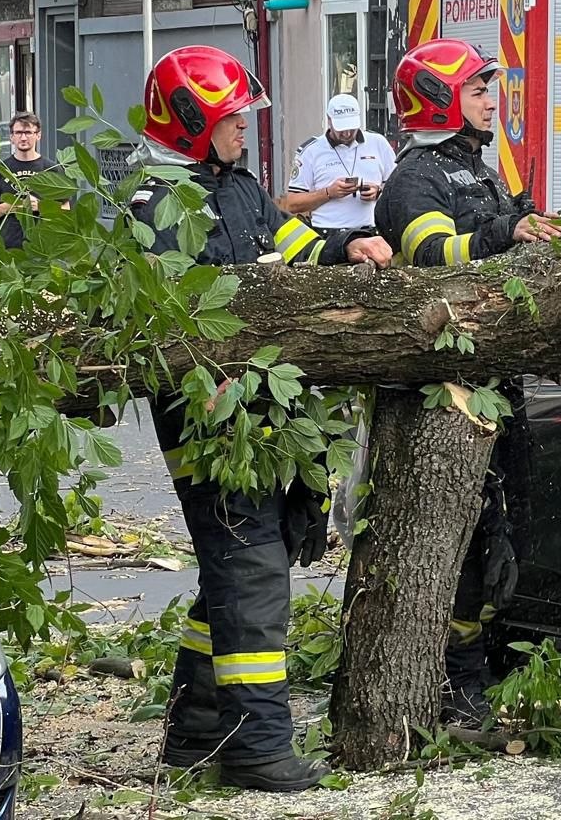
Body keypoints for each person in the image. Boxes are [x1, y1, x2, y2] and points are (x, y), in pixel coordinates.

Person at [130, 46, 393, 792]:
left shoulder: (235, 186)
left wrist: (348, 246)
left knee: (243, 564)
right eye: (232, 118)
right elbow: (196, 313)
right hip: (207, 417)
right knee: (250, 569)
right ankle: (258, 747)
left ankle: (195, 731)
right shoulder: (160, 205)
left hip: (257, 405)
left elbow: (292, 247)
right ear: (191, 123)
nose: (245, 128)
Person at [374, 37, 561, 722]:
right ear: (442, 101)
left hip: (493, 381)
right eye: (480, 91)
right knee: (467, 537)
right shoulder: (416, 177)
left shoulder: (476, 169)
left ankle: (496, 659)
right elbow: (430, 253)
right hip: (447, 394)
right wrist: (504, 233)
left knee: (507, 527)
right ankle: (459, 683)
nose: (493, 100)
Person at [280, 93, 396, 230]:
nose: (347, 134)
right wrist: (328, 193)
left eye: (351, 128)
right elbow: (292, 204)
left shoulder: (378, 143)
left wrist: (379, 192)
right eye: (341, 129)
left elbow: (398, 188)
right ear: (329, 120)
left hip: (372, 231)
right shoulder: (311, 151)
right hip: (329, 233)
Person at [0, 111, 57, 249]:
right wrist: (12, 206)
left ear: (38, 135)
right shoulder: (1, 168)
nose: (23, 138)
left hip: (43, 249)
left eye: (28, 132)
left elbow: (65, 209)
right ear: (11, 137)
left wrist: (40, 206)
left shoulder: (51, 168)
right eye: (18, 133)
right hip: (7, 247)